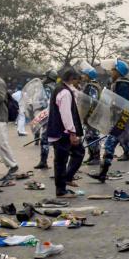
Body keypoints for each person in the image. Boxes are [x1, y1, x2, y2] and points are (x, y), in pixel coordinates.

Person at [89, 59, 129, 185]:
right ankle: (103, 174)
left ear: (118, 72)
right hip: (120, 121)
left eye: (113, 70)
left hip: (123, 121)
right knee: (118, 147)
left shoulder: (122, 84)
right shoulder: (118, 83)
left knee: (126, 148)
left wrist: (120, 121)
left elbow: (124, 104)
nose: (111, 72)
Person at [48, 68, 84, 197]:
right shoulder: (65, 93)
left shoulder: (61, 89)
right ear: (72, 79)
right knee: (62, 161)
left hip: (59, 130)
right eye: (77, 80)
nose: (78, 83)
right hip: (63, 132)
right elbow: (66, 114)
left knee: (77, 153)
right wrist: (72, 133)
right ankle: (61, 190)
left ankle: (66, 179)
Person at [78, 66, 102, 165]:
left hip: (92, 116)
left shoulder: (92, 86)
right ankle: (91, 156)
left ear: (88, 75)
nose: (82, 76)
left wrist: (89, 115)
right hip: (91, 115)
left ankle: (96, 157)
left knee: (93, 136)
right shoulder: (92, 85)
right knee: (88, 135)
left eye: (84, 74)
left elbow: (93, 101)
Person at [34, 70, 56, 169]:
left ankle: (44, 161)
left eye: (45, 77)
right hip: (52, 116)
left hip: (49, 116)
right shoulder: (55, 87)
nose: (43, 79)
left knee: (45, 138)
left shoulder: (47, 88)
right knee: (49, 139)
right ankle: (46, 161)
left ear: (49, 78)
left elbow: (45, 103)